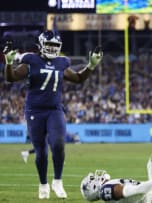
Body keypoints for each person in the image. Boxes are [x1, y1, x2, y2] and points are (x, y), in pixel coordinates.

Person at [3, 30, 103, 199]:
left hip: (54, 110)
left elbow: (78, 78)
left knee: (58, 143)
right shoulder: (31, 61)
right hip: (34, 110)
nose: (51, 48)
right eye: (49, 45)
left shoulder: (61, 62)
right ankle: (43, 184)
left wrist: (91, 66)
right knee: (41, 151)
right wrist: (8, 63)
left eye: (55, 45)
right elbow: (11, 78)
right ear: (41, 45)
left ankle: (57, 181)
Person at [80, 145, 152, 203]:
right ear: (93, 187)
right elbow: (140, 190)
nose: (97, 177)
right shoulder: (106, 190)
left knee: (151, 164)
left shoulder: (105, 191)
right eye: (93, 179)